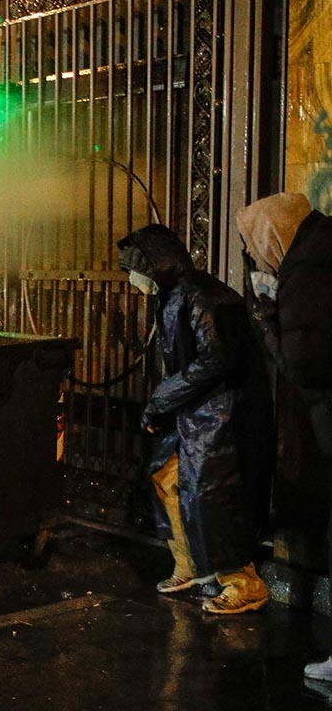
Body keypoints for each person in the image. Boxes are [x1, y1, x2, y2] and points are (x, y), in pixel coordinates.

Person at [117, 225, 272, 614]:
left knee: (210, 494)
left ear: (157, 266)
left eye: (139, 271)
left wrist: (161, 400)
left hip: (218, 413)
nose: (135, 281)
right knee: (167, 478)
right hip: (196, 409)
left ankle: (242, 581)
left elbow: (215, 358)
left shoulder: (202, 296)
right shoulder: (175, 295)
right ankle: (191, 564)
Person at [234, 194, 332, 676]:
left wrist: (267, 313)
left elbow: (304, 364)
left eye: (255, 247)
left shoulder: (306, 272)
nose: (256, 258)